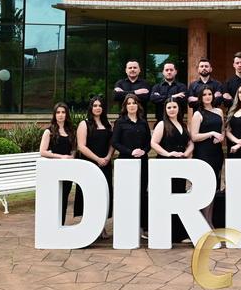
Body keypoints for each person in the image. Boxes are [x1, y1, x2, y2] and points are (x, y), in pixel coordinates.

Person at [151, 97, 194, 243]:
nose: (172, 110)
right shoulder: (162, 124)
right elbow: (154, 143)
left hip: (180, 166)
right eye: (169, 107)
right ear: (165, 109)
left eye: (174, 107)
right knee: (166, 198)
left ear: (178, 108)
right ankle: (165, 232)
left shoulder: (183, 124)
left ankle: (178, 234)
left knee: (178, 197)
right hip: (165, 165)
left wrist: (186, 153)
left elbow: (190, 143)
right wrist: (168, 154)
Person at [111, 93, 152, 238]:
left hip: (142, 161)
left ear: (138, 105)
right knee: (127, 194)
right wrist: (130, 152)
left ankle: (142, 227)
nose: (132, 105)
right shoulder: (120, 122)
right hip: (126, 162)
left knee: (142, 193)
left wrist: (144, 151)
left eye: (134, 103)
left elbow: (149, 142)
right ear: (125, 106)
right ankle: (127, 226)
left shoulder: (143, 122)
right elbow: (115, 142)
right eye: (129, 103)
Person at [76, 96, 113, 239]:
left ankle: (101, 227)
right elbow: (81, 146)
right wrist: (97, 159)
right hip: (89, 165)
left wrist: (108, 157)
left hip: (105, 164)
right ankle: (88, 227)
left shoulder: (108, 124)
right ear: (91, 108)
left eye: (100, 105)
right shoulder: (84, 124)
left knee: (103, 195)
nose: (98, 108)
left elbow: (112, 143)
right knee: (89, 195)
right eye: (95, 105)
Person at [189, 86, 224, 227]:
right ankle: (203, 222)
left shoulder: (219, 111)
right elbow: (194, 136)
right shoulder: (198, 114)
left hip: (217, 152)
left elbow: (222, 130)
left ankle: (209, 221)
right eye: (204, 94)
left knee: (214, 187)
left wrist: (220, 137)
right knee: (204, 187)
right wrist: (211, 134)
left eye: (210, 94)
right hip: (203, 153)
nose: (208, 96)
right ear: (201, 97)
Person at [39, 102, 77, 225]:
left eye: (63, 112)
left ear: (67, 114)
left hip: (68, 170)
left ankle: (61, 225)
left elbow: (73, 149)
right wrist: (61, 157)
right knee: (54, 198)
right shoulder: (49, 131)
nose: (61, 115)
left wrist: (72, 156)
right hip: (55, 170)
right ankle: (51, 225)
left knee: (64, 198)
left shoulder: (71, 131)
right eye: (58, 112)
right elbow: (42, 151)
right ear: (54, 114)